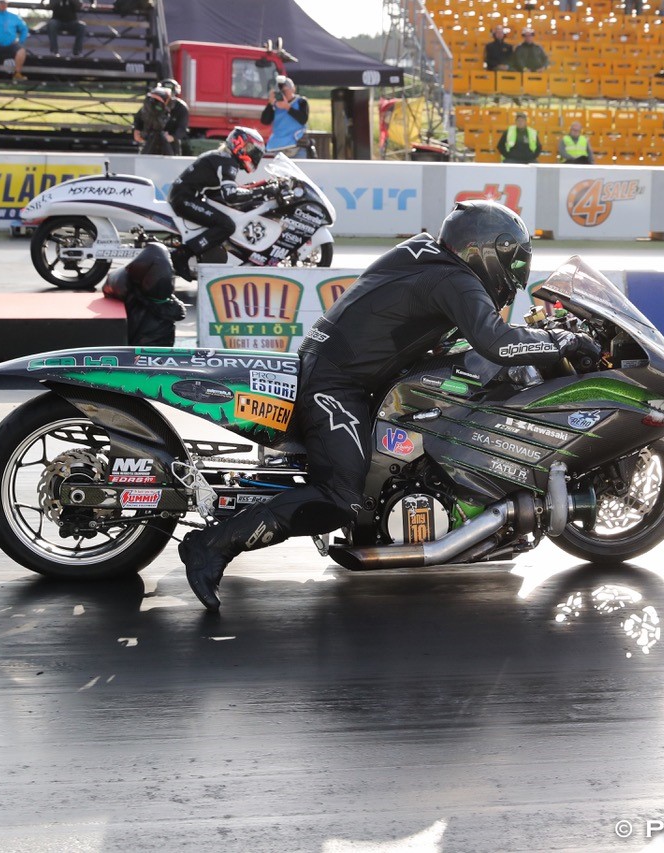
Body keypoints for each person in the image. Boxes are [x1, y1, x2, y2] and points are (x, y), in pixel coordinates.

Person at [177, 200, 604, 611]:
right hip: (336, 383)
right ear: (486, 252)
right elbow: (498, 342)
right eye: (512, 261)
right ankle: (212, 545)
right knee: (340, 497)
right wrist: (562, 340)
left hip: (347, 372)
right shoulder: (452, 279)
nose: (514, 274)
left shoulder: (428, 255)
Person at [167, 126, 267, 281]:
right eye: (251, 149)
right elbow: (231, 195)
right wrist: (260, 192)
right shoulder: (228, 162)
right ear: (239, 144)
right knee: (227, 225)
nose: (253, 154)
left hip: (185, 196)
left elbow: (221, 192)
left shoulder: (222, 157)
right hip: (184, 199)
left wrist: (256, 188)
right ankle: (182, 254)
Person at [261, 75, 309, 156]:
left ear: (293, 89)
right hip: (277, 146)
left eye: (285, 90)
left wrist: (287, 107)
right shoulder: (275, 105)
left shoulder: (301, 102)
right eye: (281, 91)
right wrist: (270, 103)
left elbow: (303, 119)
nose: (283, 93)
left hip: (295, 145)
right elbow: (265, 121)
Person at [0, 0, 29, 81]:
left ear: (7, 4)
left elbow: (24, 29)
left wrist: (20, 41)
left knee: (22, 50)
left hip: (11, 43)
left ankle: (17, 74)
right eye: (1, 2)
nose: (2, 4)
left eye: (4, 2)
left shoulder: (15, 17)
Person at [132, 87, 174, 155]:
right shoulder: (146, 109)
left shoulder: (168, 111)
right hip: (147, 137)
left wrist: (171, 136)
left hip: (162, 138)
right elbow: (138, 119)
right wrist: (137, 129)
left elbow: (166, 125)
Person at [159, 78, 190, 156]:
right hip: (152, 140)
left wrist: (172, 137)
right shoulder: (152, 103)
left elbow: (182, 127)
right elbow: (142, 118)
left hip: (171, 144)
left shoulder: (181, 107)